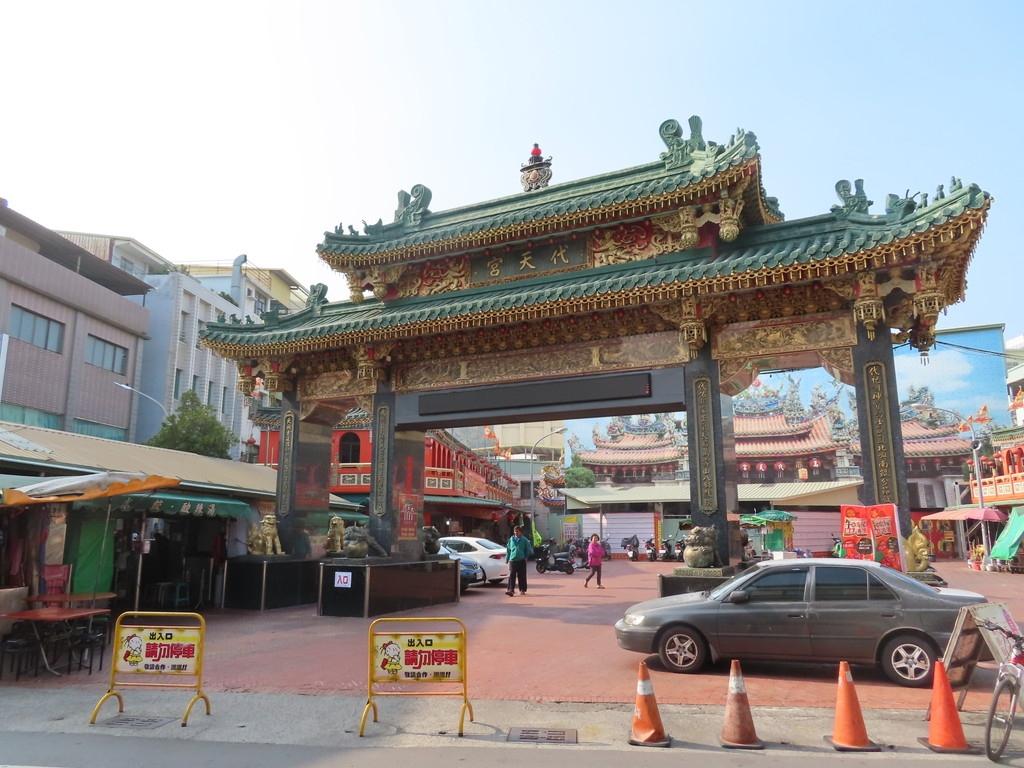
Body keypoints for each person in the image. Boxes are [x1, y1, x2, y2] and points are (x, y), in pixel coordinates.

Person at [505, 525, 533, 596]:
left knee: (522, 576)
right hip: (513, 560)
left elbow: (528, 550)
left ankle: (522, 590)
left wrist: (526, 557)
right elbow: (508, 550)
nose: (516, 533)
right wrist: (507, 559)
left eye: (517, 531)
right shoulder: (511, 539)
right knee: (512, 575)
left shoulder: (524, 540)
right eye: (515, 531)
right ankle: (511, 590)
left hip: (521, 561)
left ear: (521, 532)